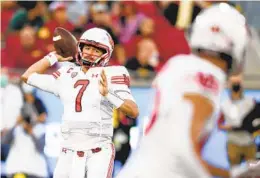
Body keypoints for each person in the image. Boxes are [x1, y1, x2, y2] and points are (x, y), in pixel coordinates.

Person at [116, 3, 250, 178]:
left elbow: (180, 152)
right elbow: (182, 150)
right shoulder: (207, 74)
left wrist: (232, 174)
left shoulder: (180, 64)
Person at [21, 27, 139, 178]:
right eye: (87, 47)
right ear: (80, 48)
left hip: (97, 151)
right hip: (68, 151)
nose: (90, 53)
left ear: (105, 54)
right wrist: (53, 57)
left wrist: (109, 94)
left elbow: (133, 111)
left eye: (96, 50)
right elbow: (28, 76)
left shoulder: (111, 73)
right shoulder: (67, 73)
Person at [2, 83, 48, 178]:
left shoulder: (40, 128)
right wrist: (16, 124)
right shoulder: (17, 127)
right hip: (15, 169)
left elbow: (40, 147)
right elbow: (4, 141)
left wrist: (31, 131)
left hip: (35, 171)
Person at [219, 77, 260, 166]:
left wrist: (255, 129)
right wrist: (228, 127)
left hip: (249, 141)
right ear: (229, 85)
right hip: (233, 142)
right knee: (235, 170)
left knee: (253, 170)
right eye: (234, 83)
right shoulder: (224, 104)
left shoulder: (250, 101)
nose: (236, 85)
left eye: (238, 83)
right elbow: (219, 124)